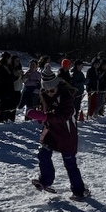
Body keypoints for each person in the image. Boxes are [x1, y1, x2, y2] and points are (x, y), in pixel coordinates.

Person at [28, 64, 90, 200]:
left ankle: (79, 190)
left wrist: (45, 116)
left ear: (57, 86)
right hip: (51, 131)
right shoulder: (44, 94)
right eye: (47, 90)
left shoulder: (66, 96)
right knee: (43, 154)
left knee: (70, 163)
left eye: (52, 90)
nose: (50, 92)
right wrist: (40, 117)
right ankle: (45, 180)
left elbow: (64, 115)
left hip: (66, 133)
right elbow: (46, 112)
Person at [0, 52, 15, 122]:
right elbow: (4, 80)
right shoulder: (2, 68)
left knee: (1, 107)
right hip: (3, 91)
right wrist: (14, 76)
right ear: (7, 58)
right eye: (10, 58)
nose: (10, 60)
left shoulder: (5, 67)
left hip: (4, 91)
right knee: (2, 108)